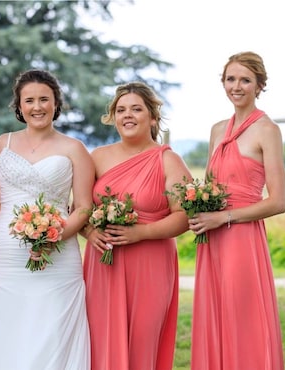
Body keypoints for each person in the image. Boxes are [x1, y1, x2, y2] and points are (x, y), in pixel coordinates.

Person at [0, 69, 94, 369]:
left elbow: (83, 207)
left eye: (45, 99)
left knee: (52, 334)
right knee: (7, 331)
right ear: (19, 106)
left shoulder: (74, 149)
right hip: (7, 256)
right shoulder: (3, 144)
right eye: (29, 100)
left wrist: (52, 236)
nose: (37, 107)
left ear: (56, 103)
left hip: (59, 256)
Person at [82, 82, 191, 370]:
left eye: (136, 109)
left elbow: (183, 217)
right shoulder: (97, 157)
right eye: (121, 110)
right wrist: (90, 231)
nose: (127, 115)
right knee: (100, 340)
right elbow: (80, 208)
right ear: (113, 117)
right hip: (103, 264)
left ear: (152, 118)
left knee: (143, 340)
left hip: (151, 264)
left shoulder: (168, 160)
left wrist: (140, 232)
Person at [189, 51, 285, 369]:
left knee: (241, 315)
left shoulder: (267, 130)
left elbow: (277, 201)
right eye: (231, 79)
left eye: (245, 80)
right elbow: (210, 186)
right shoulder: (217, 130)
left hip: (242, 238)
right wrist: (197, 207)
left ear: (259, 85)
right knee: (214, 312)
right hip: (213, 238)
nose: (237, 86)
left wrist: (224, 216)